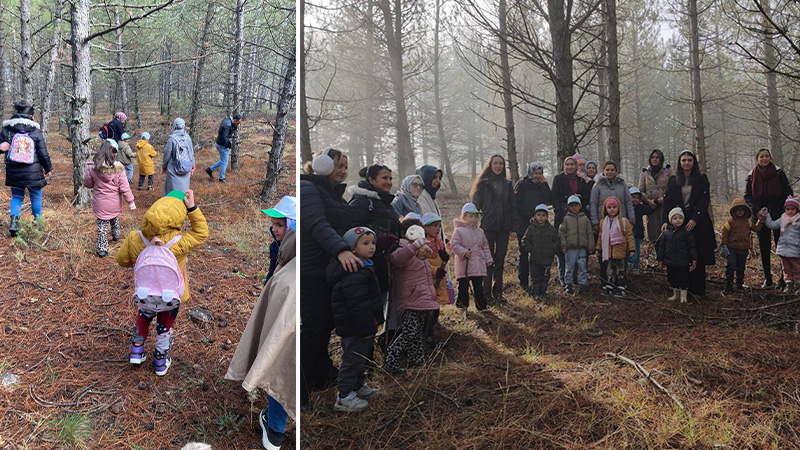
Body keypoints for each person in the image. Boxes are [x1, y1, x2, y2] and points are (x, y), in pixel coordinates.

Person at [116, 189, 209, 375]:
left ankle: (136, 350)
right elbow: (202, 233)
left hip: (145, 293)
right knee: (165, 325)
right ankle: (160, 360)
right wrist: (192, 209)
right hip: (170, 296)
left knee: (143, 317)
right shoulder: (179, 242)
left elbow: (121, 260)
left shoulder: (136, 238)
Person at [225, 230, 296, 450]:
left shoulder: (286, 279)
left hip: (289, 296)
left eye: (280, 225)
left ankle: (275, 430)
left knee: (278, 362)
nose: (275, 229)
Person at [300, 147, 354, 407]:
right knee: (313, 327)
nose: (342, 170)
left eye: (345, 165)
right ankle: (297, 385)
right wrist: (341, 250)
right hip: (311, 271)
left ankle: (319, 373)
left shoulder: (335, 195)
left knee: (324, 325)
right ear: (321, 165)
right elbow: (315, 223)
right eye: (337, 164)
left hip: (328, 271)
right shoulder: (308, 189)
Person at [327, 226, 383, 411]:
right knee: (352, 360)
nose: (372, 247)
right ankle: (344, 396)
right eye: (365, 243)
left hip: (364, 326)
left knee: (361, 358)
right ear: (352, 248)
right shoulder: (353, 273)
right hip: (356, 328)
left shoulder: (364, 268)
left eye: (373, 243)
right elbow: (358, 305)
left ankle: (357, 387)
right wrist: (367, 328)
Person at [349, 164, 401, 350]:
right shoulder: (363, 202)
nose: (389, 182)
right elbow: (353, 232)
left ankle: (379, 344)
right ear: (371, 180)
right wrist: (379, 240)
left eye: (390, 178)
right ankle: (364, 355)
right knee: (368, 311)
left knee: (379, 308)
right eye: (384, 178)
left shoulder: (384, 202)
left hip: (382, 265)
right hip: (367, 267)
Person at [385, 218, 439, 374]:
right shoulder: (402, 247)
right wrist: (414, 246)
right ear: (404, 233)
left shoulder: (420, 248)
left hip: (422, 297)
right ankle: (391, 360)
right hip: (410, 299)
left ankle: (416, 361)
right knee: (410, 332)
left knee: (417, 333)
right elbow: (397, 259)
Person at [662, 150, 716, 297]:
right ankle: (682, 289)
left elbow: (704, 201)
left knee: (697, 255)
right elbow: (667, 202)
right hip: (679, 222)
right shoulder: (673, 180)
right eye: (684, 160)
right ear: (680, 162)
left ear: (694, 162)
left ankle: (697, 291)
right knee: (681, 255)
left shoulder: (701, 179)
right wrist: (666, 221)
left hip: (698, 223)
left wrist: (694, 219)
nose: (686, 163)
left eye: (689, 160)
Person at [744, 148, 794, 289]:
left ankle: (784, 279)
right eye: (761, 157)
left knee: (782, 248)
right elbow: (747, 196)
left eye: (767, 156)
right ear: (757, 159)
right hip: (761, 217)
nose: (764, 159)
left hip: (780, 216)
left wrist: (788, 212)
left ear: (770, 158)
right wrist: (756, 210)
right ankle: (768, 279)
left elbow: (788, 194)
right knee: (764, 247)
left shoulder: (779, 173)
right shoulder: (751, 175)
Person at [0, 101, 52, 237]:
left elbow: (2, 147)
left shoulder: (7, 129)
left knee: (17, 197)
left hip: (14, 169)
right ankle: (38, 223)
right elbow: (42, 153)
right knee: (36, 198)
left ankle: (13, 224)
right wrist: (48, 168)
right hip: (33, 171)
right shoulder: (35, 131)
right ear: (31, 115)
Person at [471, 154, 517, 301]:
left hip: (504, 227)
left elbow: (513, 207)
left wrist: (513, 228)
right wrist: (470, 223)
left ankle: (498, 292)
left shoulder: (507, 184)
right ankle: (486, 294)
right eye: (495, 163)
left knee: (500, 260)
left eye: (501, 164)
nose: (498, 166)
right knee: (488, 260)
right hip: (488, 227)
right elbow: (475, 205)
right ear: (490, 165)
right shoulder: (483, 184)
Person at [82, 140, 136, 257]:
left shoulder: (93, 167)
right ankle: (116, 235)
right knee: (114, 218)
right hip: (114, 202)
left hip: (100, 203)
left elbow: (88, 184)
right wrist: (131, 201)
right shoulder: (119, 168)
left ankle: (102, 248)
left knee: (102, 226)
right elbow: (124, 187)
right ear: (114, 153)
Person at [551, 156, 590, 285]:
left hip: (578, 218)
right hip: (563, 216)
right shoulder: (558, 179)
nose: (569, 167)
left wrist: (579, 199)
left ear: (576, 166)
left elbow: (587, 197)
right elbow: (554, 197)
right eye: (567, 164)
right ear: (564, 166)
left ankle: (577, 277)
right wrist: (560, 210)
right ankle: (563, 278)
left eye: (572, 164)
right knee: (562, 247)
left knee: (577, 247)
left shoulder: (581, 180)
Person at [513, 162, 552, 290]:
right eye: (535, 173)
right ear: (530, 173)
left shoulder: (542, 185)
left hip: (540, 224)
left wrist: (544, 184)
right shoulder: (522, 184)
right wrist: (529, 215)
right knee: (524, 253)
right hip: (524, 223)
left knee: (539, 253)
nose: (538, 176)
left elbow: (548, 200)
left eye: (540, 173)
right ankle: (523, 282)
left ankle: (538, 282)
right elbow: (517, 204)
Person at [451, 203, 493, 312]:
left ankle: (481, 306)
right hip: (464, 263)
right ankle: (462, 305)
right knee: (463, 286)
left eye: (475, 217)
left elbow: (485, 245)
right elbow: (454, 245)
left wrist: (488, 259)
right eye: (470, 216)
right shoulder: (459, 231)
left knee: (478, 286)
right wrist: (464, 252)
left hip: (477, 264)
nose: (473, 219)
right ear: (464, 217)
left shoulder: (480, 232)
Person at [720, 198, 762, 293]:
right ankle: (728, 286)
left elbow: (756, 229)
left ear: (745, 211)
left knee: (741, 267)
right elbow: (724, 234)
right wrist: (724, 246)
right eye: (737, 210)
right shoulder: (729, 222)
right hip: (732, 249)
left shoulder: (748, 221)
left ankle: (739, 285)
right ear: (733, 211)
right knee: (731, 266)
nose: (740, 212)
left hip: (743, 249)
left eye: (742, 209)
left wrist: (761, 221)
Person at [596, 197, 635, 297]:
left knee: (620, 269)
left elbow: (629, 236)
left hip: (620, 250)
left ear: (618, 208)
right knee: (609, 269)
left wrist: (631, 249)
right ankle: (610, 284)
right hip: (608, 251)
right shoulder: (603, 221)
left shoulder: (623, 221)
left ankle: (621, 286)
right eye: (609, 207)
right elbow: (601, 236)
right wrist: (598, 248)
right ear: (605, 209)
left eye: (614, 207)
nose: (612, 209)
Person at [760, 196, 800, 293]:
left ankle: (798, 286)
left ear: (797, 209)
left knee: (797, 268)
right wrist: (766, 215)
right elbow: (772, 225)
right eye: (787, 209)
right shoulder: (783, 219)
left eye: (792, 209)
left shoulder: (798, 221)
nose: (790, 211)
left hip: (795, 249)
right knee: (786, 268)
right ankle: (789, 285)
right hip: (783, 249)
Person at [657, 207, 698, 303]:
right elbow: (661, 248)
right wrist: (660, 260)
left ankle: (684, 297)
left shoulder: (687, 233)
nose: (678, 220)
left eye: (680, 218)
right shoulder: (666, 233)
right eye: (675, 218)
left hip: (683, 262)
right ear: (670, 220)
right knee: (672, 278)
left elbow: (692, 247)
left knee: (683, 279)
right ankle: (675, 294)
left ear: (683, 219)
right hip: (670, 262)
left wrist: (694, 259)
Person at [522, 204, 560, 300]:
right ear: (535, 216)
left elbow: (557, 240)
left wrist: (552, 248)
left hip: (547, 258)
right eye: (538, 215)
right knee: (535, 277)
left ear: (547, 216)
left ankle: (543, 293)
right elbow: (524, 240)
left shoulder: (551, 229)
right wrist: (531, 249)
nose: (541, 217)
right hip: (535, 259)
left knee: (545, 277)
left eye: (543, 215)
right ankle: (536, 293)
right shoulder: (531, 228)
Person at [422, 212, 449, 348]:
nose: (437, 229)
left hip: (437, 282)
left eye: (439, 226)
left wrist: (443, 258)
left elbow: (438, 260)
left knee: (435, 309)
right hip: (428, 282)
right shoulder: (424, 244)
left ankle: (430, 336)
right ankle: (426, 338)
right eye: (434, 226)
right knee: (429, 313)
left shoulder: (437, 242)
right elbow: (424, 263)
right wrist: (435, 271)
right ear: (425, 228)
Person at [559, 195, 594, 295]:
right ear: (568, 207)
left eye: (576, 205)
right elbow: (562, 233)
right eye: (571, 205)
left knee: (582, 267)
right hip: (570, 248)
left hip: (582, 248)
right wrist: (563, 246)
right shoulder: (566, 219)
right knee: (569, 267)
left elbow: (589, 233)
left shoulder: (585, 219)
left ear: (580, 206)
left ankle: (582, 284)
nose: (574, 207)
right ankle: (568, 284)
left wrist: (591, 247)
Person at [261, 195, 296, 284]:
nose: (273, 229)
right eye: (273, 224)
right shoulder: (275, 246)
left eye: (279, 225)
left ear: (291, 226)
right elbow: (271, 274)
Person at [590, 161, 635, 229]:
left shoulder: (623, 185)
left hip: (621, 222)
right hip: (603, 222)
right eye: (607, 170)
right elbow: (593, 204)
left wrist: (631, 220)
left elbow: (628, 203)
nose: (610, 172)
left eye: (612, 170)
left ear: (616, 171)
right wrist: (595, 222)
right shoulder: (597, 185)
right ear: (603, 171)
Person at [638, 149, 670, 242]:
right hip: (651, 209)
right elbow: (640, 191)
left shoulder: (667, 171)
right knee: (653, 236)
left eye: (657, 157)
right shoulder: (644, 173)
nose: (655, 159)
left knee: (667, 234)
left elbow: (672, 188)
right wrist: (648, 201)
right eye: (653, 157)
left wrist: (664, 198)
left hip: (666, 207)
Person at [161, 118, 195, 196]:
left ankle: (171, 204)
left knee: (172, 190)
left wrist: (164, 166)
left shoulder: (172, 138)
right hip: (186, 167)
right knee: (184, 190)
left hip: (173, 168)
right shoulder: (187, 137)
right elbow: (191, 153)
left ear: (175, 126)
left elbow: (167, 154)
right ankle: (183, 204)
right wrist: (192, 165)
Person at [206, 114, 242, 183]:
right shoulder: (227, 125)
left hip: (220, 144)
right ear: (234, 120)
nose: (238, 124)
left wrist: (235, 126)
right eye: (238, 123)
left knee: (223, 161)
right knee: (225, 162)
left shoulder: (228, 120)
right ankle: (221, 179)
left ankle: (210, 169)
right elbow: (224, 137)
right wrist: (227, 146)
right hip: (222, 145)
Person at [629, 187, 654, 275]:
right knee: (629, 249)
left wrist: (645, 200)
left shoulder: (640, 207)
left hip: (638, 231)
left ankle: (635, 267)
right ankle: (626, 265)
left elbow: (650, 209)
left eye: (637, 198)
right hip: (629, 232)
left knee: (637, 250)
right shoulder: (627, 207)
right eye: (633, 197)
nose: (635, 199)